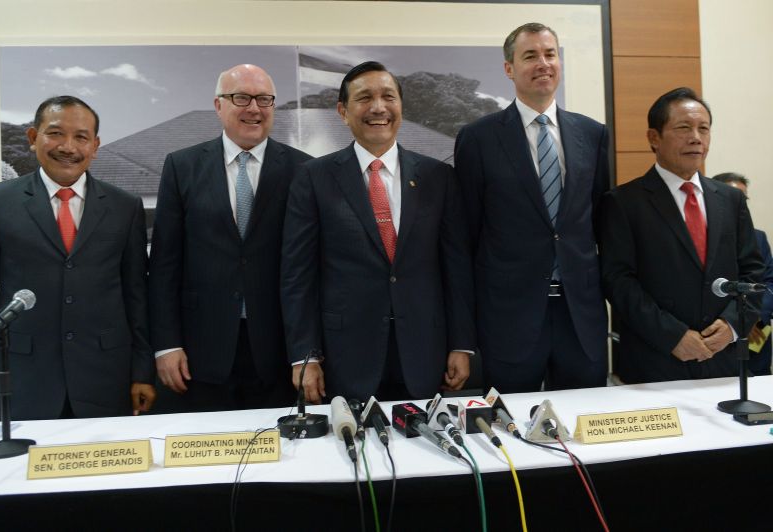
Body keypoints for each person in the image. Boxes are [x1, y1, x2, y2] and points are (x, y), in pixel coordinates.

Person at [281, 61, 476, 403]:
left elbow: (455, 268)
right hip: (345, 358)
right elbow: (298, 275)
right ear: (343, 111)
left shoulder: (438, 177)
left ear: (401, 106)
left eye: (388, 96)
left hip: (424, 354)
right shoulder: (313, 178)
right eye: (364, 97)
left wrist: (462, 344)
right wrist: (305, 355)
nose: (378, 107)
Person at [0, 96, 154, 421]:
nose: (68, 146)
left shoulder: (124, 208)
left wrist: (143, 371)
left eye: (81, 137)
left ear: (95, 145)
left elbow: (136, 296)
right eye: (55, 133)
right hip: (22, 379)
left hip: (105, 379)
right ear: (33, 138)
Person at [454, 23, 609, 392]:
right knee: (511, 428)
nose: (543, 63)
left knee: (585, 425)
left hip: (579, 316)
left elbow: (600, 222)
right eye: (530, 56)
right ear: (509, 68)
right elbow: (468, 234)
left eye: (550, 54)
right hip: (509, 318)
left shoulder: (593, 134)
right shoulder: (478, 139)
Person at [149, 64, 312, 411]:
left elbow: (312, 270)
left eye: (265, 99)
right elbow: (164, 264)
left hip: (279, 350)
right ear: (218, 104)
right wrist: (166, 344)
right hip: (198, 351)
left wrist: (309, 352)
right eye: (241, 97)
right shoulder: (182, 166)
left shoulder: (305, 170)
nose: (254, 108)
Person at [599, 88, 764, 383]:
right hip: (655, 362)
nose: (696, 138)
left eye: (704, 129)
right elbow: (618, 281)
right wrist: (673, 336)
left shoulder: (730, 200)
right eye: (683, 128)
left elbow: (753, 273)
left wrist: (732, 325)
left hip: (722, 360)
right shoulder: (623, 202)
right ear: (654, 137)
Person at [712, 172, 773, 375]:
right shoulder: (703, 238)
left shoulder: (759, 237)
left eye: (743, 199)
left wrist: (752, 317)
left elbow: (768, 283)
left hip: (756, 337)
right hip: (716, 331)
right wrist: (733, 321)